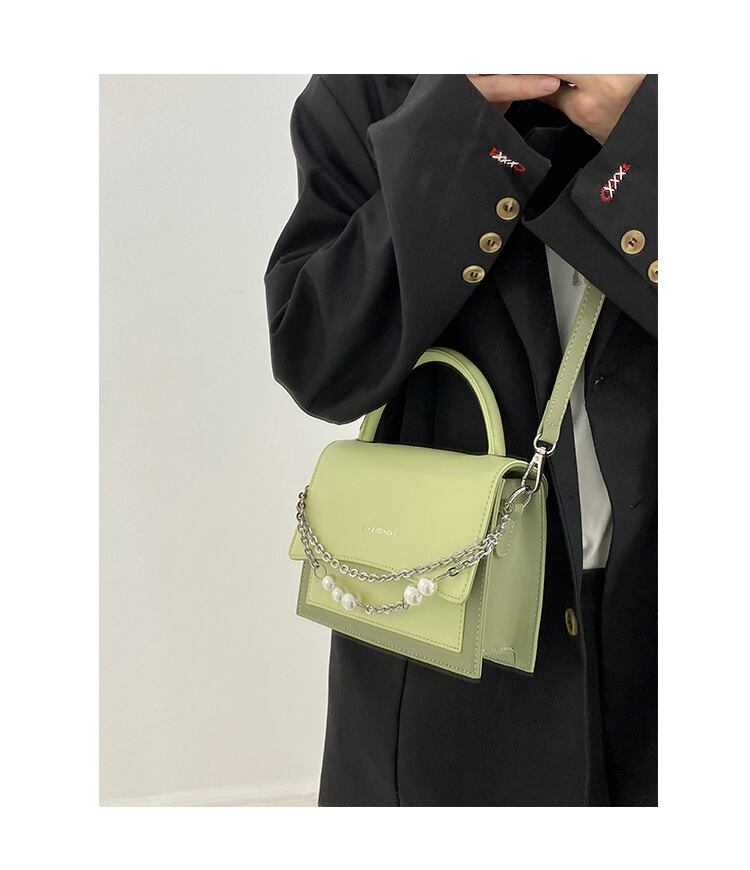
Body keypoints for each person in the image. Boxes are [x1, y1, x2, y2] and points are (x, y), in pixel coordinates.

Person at [264, 74, 657, 806]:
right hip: (445, 650)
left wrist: (646, 138)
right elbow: (319, 362)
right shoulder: (374, 83)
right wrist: (455, 132)